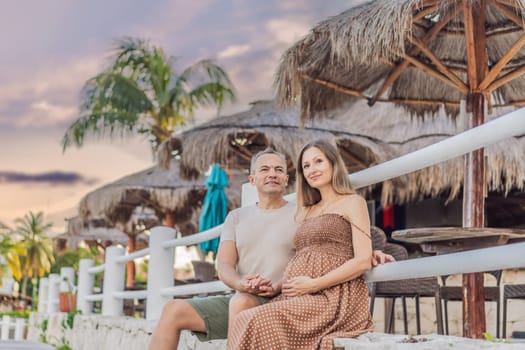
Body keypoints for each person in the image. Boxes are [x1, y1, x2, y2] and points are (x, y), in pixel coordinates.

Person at [148, 148, 393, 350]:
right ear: (252, 179)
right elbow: (223, 265)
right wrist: (242, 283)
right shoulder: (237, 216)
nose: (272, 174)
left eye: (279, 170)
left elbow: (328, 239)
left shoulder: (301, 212)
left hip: (283, 296)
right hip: (254, 292)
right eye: (264, 169)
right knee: (173, 309)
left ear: (287, 179)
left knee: (241, 304)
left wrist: (368, 251)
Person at [228, 140, 376, 350]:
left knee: (260, 319)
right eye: (306, 166)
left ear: (333, 164)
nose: (312, 169)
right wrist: (276, 287)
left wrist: (314, 284)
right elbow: (302, 255)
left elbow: (362, 260)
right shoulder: (306, 210)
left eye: (318, 161)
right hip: (295, 294)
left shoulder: (352, 202)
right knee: (244, 318)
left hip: (331, 296)